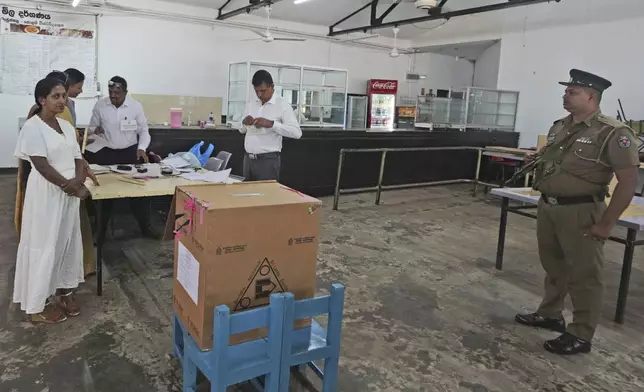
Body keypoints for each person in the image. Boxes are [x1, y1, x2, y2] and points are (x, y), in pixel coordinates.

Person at [515, 69, 640, 355]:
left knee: (585, 275)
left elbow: (628, 182)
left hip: (582, 210)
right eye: (566, 91)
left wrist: (607, 223)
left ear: (591, 96)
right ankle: (550, 314)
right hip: (550, 206)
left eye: (572, 92)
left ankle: (581, 334)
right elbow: (556, 161)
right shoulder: (560, 126)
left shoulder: (613, 132)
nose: (565, 96)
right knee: (554, 266)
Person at [13, 77, 89, 324]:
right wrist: (69, 186)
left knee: (66, 241)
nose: (62, 101)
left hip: (69, 194)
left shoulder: (67, 127)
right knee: (44, 244)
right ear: (41, 100)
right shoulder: (32, 127)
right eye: (56, 96)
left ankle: (64, 291)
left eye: (64, 96)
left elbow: (78, 158)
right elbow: (41, 165)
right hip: (47, 193)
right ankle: (36, 306)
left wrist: (77, 182)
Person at [86, 76, 157, 238]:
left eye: (117, 92)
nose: (113, 96)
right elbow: (91, 128)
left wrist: (141, 148)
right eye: (110, 92)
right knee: (105, 194)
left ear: (125, 92)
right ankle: (100, 232)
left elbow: (144, 131)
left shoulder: (135, 106)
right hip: (107, 153)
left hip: (129, 153)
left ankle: (145, 228)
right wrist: (94, 131)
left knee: (137, 193)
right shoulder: (101, 105)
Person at [239, 70, 301, 181]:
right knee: (247, 197)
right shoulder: (252, 103)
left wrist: (271, 124)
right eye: (256, 91)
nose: (259, 95)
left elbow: (296, 133)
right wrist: (244, 123)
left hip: (267, 161)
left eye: (263, 91)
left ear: (272, 86)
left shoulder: (282, 105)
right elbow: (242, 130)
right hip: (248, 159)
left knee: (266, 196)